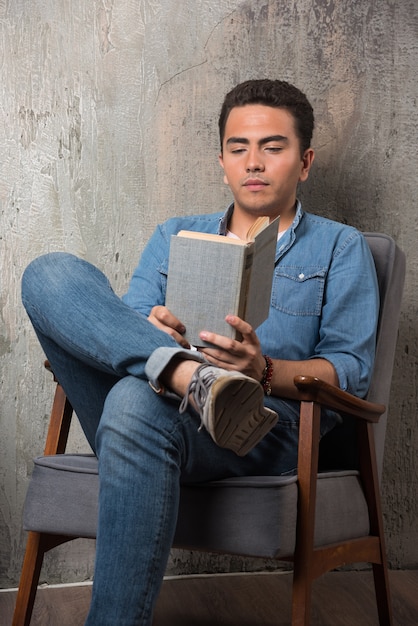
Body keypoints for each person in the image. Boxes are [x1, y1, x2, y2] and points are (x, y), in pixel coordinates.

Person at [21, 79, 379, 625]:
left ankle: (198, 383)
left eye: (272, 147)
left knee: (132, 403)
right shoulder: (175, 235)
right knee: (47, 274)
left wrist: (261, 369)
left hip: (261, 428)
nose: (253, 162)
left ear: (304, 162)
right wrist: (156, 332)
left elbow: (350, 373)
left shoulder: (340, 247)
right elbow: (116, 326)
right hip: (157, 402)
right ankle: (189, 375)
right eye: (239, 148)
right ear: (221, 159)